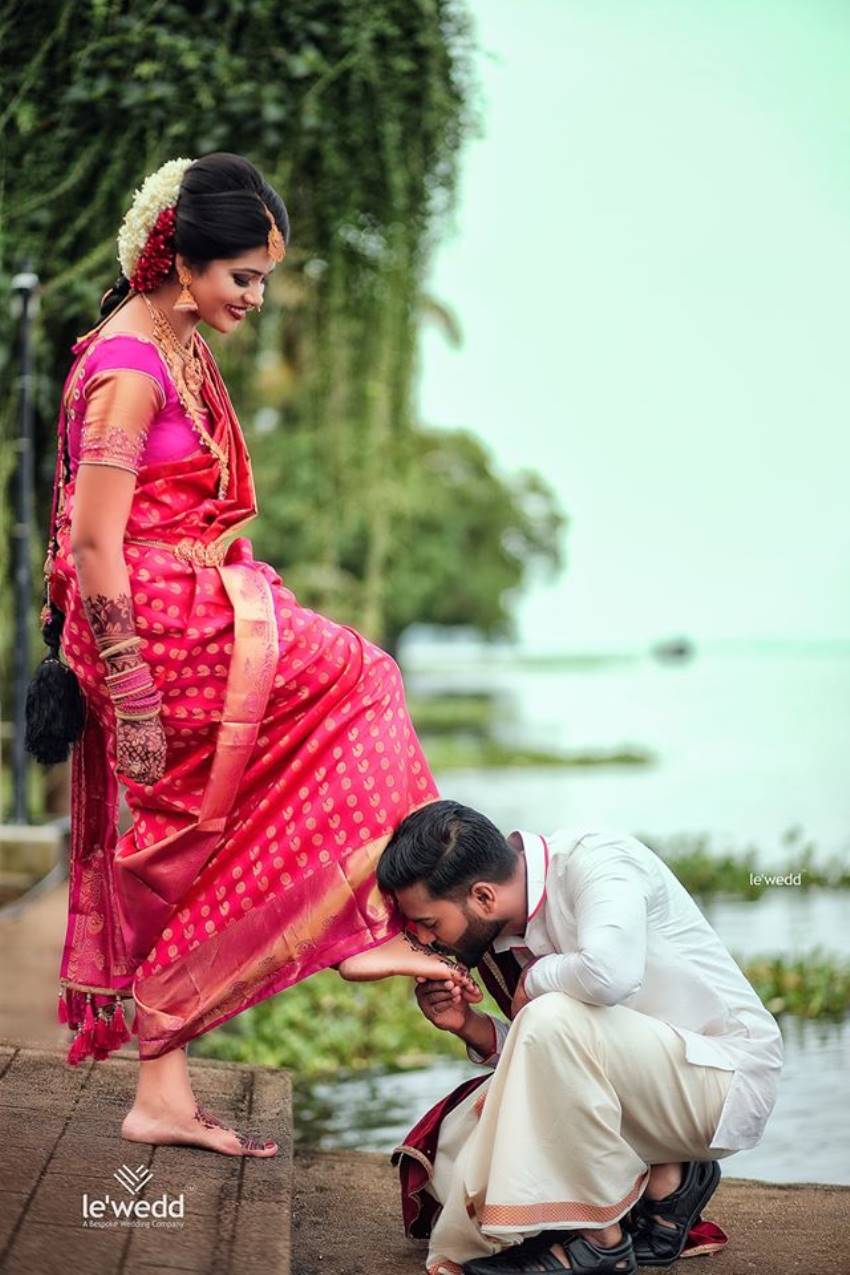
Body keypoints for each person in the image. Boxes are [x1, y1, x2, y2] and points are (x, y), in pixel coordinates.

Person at [29, 153, 465, 1159]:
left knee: (192, 838)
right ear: (182, 259)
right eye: (243, 277)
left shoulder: (170, 342)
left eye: (265, 278)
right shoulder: (132, 370)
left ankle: (163, 1094)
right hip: (149, 629)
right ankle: (360, 917)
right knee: (366, 679)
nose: (256, 298)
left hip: (184, 606)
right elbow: (95, 541)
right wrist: (131, 693)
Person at [376, 800, 784, 1275]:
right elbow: (552, 1063)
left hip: (722, 1079)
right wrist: (469, 1025)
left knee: (546, 1026)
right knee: (455, 1157)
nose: (425, 941)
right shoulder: (507, 935)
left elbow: (608, 978)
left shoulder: (597, 861)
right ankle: (666, 1184)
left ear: (484, 897)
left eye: (429, 923)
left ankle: (599, 1244)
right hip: (651, 1084)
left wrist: (534, 980)